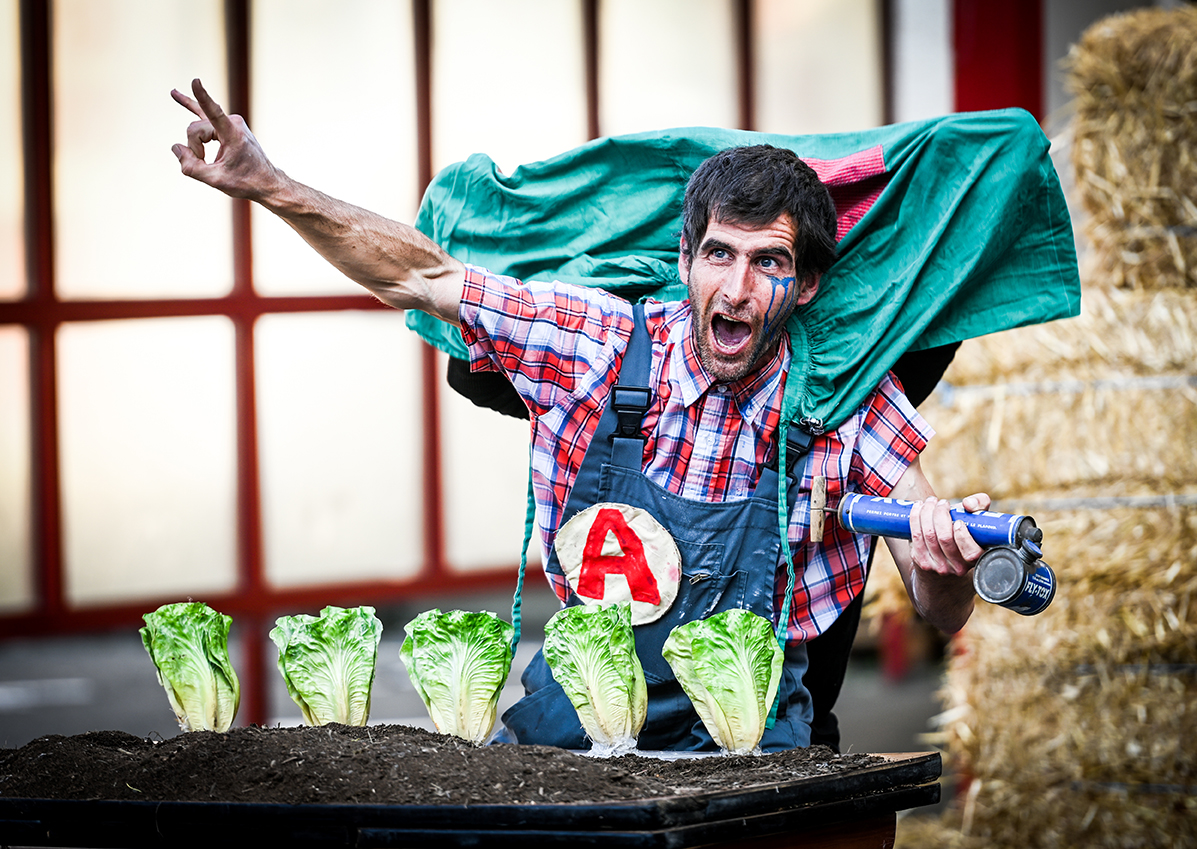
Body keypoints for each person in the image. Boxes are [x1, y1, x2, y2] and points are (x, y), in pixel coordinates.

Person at [172, 79, 991, 752]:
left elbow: (941, 606)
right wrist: (272, 187)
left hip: (749, 753)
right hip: (578, 734)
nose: (738, 289)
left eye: (768, 261)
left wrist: (946, 565)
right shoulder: (596, 343)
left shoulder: (847, 400)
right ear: (686, 261)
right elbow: (421, 277)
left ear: (806, 284)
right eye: (719, 254)